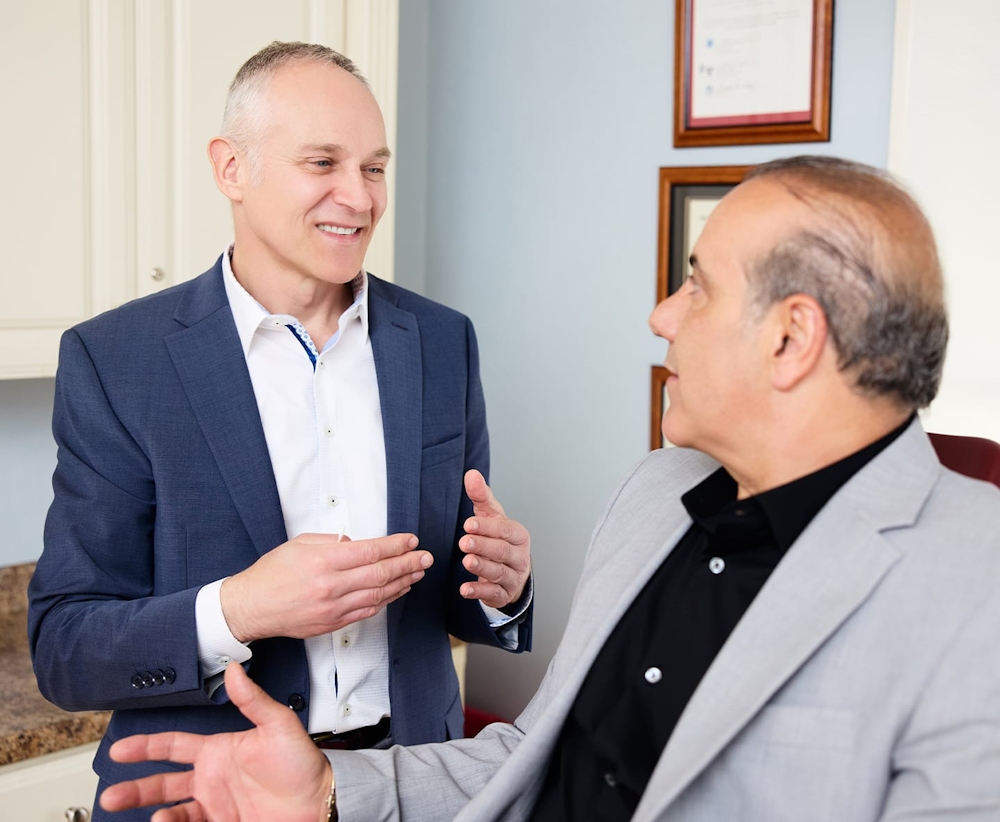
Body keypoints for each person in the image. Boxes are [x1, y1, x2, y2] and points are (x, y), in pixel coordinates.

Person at [99, 156, 1000, 821]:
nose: (661, 316)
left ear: (790, 339)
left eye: (696, 287)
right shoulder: (656, 492)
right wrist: (331, 791)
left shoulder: (977, 583)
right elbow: (533, 754)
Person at [28, 41, 533, 820]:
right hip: (206, 797)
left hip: (407, 788)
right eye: (322, 162)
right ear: (232, 168)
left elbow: (453, 594)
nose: (358, 198)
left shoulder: (442, 341)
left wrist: (503, 589)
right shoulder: (116, 360)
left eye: (373, 168)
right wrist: (242, 608)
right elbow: (66, 649)